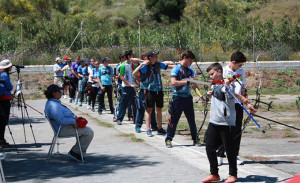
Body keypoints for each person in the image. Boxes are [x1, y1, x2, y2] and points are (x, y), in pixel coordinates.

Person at [202, 63, 255, 183]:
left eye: (212, 74)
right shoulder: (214, 85)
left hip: (225, 122)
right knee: (209, 147)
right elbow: (216, 94)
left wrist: (226, 86)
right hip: (214, 121)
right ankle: (214, 173)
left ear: (219, 72)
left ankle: (233, 174)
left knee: (229, 149)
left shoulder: (229, 87)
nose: (210, 77)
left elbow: (228, 95)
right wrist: (210, 95)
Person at [44, 84, 94, 162]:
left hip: (65, 127)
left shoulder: (54, 103)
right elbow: (60, 120)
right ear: (54, 93)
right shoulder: (53, 106)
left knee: (86, 130)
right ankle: (75, 152)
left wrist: (76, 120)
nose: (61, 92)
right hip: (62, 129)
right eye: (59, 91)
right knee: (89, 132)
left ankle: (78, 152)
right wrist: (74, 122)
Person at [217, 51, 248, 166]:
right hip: (227, 104)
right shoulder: (223, 71)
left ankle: (234, 154)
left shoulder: (241, 72)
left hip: (238, 104)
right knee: (225, 130)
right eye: (239, 65)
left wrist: (246, 100)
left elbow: (243, 88)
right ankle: (220, 154)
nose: (240, 67)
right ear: (233, 62)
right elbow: (225, 88)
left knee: (237, 130)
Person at [165, 51, 200, 147]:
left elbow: (194, 85)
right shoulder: (176, 69)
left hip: (188, 98)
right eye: (190, 60)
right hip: (177, 98)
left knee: (191, 120)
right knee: (173, 120)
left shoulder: (190, 71)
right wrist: (185, 82)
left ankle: (195, 139)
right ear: (184, 57)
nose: (191, 62)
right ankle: (168, 139)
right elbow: (173, 82)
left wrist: (200, 95)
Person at [140, 51, 175, 137]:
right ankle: (148, 129)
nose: (156, 57)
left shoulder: (159, 64)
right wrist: (142, 64)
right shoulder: (146, 67)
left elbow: (169, 66)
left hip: (159, 90)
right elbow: (137, 73)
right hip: (150, 90)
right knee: (149, 110)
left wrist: (179, 65)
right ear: (149, 58)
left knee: (159, 109)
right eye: (154, 56)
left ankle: (160, 128)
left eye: (156, 56)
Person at [115, 50, 137, 125]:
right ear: (129, 57)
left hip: (132, 87)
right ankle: (119, 119)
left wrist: (136, 83)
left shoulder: (133, 64)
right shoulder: (123, 65)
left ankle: (135, 119)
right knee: (123, 103)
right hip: (126, 87)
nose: (133, 57)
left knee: (134, 103)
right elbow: (121, 77)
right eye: (132, 55)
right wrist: (130, 84)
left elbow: (134, 74)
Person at [0, 59, 13, 147]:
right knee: (3, 120)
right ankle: (1, 139)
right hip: (4, 100)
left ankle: (1, 138)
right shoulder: (4, 75)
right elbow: (9, 87)